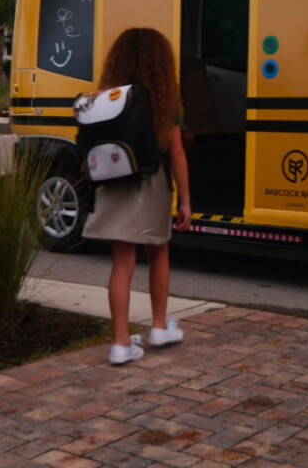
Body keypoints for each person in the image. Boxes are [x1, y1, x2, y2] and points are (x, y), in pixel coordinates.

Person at [81, 27, 191, 365]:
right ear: (161, 61)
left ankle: (120, 343)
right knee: (158, 253)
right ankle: (159, 327)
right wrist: (185, 200)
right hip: (150, 182)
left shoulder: (105, 97)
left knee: (122, 262)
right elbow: (176, 154)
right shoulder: (165, 99)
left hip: (113, 182)